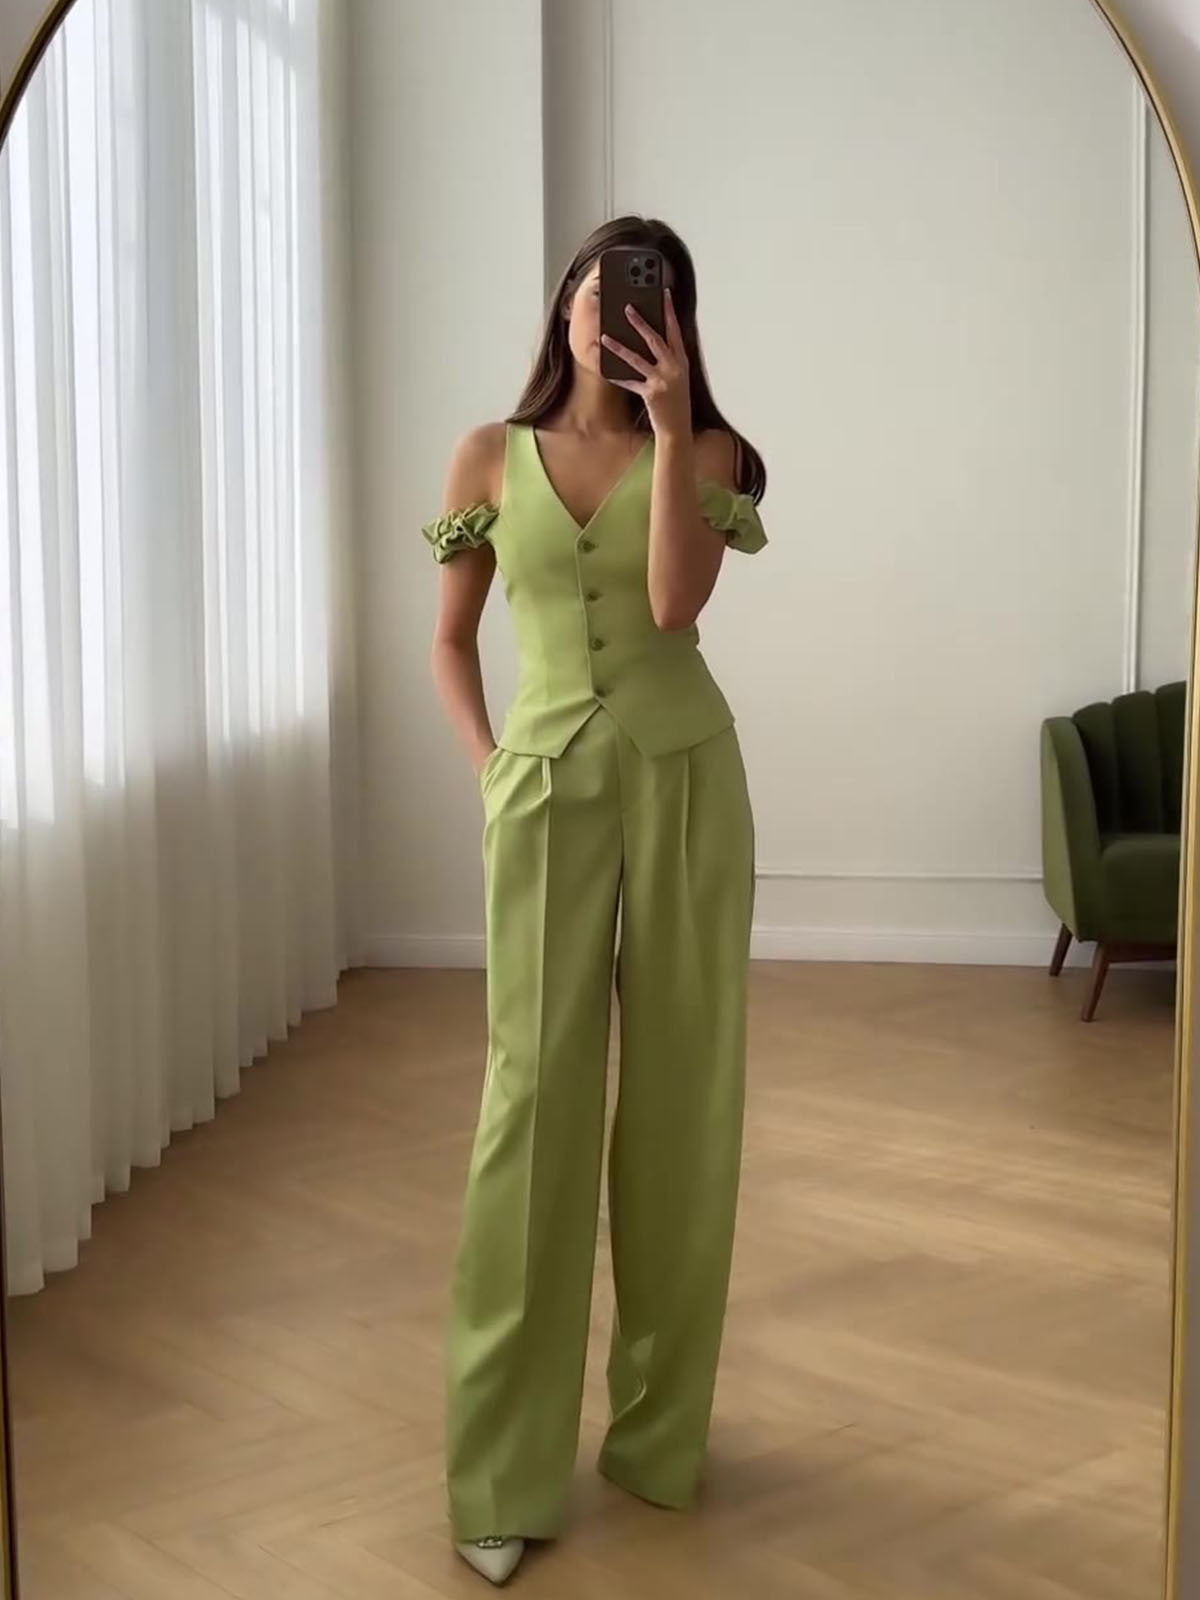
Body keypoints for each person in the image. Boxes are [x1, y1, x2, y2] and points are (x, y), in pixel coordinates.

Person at [423, 215, 767, 1586]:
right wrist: (490, 767)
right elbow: (450, 640)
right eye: (606, 281)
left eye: (656, 291)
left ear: (676, 322)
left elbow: (675, 609)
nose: (622, 306)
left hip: (686, 785)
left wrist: (673, 430)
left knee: (683, 1101)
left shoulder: (712, 453)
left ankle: (657, 1439)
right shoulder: (485, 457)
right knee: (531, 1109)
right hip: (543, 794)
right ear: (567, 298)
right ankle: (500, 1473)